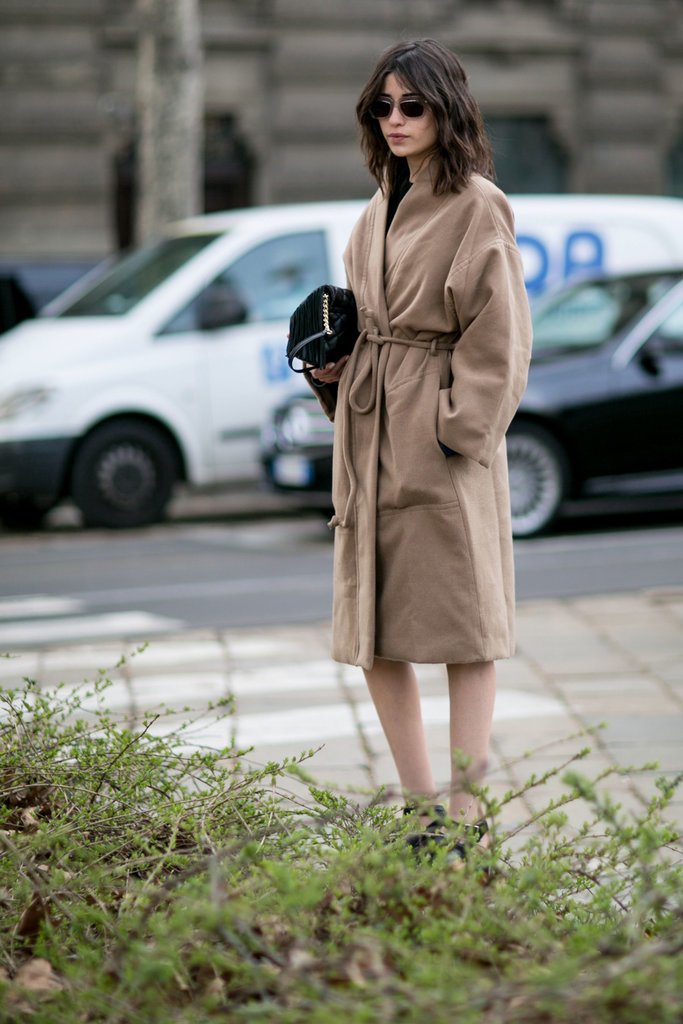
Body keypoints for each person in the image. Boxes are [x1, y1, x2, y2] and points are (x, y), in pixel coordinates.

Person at [306, 39, 533, 851]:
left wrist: (453, 432)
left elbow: (499, 339)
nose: (395, 120)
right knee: (373, 629)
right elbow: (369, 326)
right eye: (383, 106)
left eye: (413, 106)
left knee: (463, 627)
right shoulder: (374, 209)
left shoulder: (478, 205)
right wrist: (330, 371)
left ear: (447, 110)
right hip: (367, 436)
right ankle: (419, 808)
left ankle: (466, 814)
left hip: (433, 442)